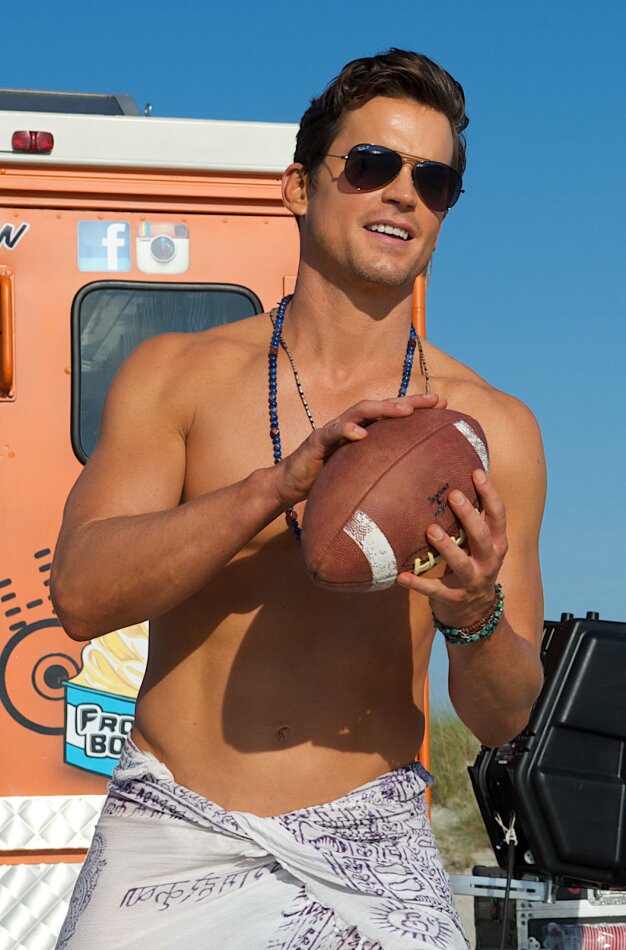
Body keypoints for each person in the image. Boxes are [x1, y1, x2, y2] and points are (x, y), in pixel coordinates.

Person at [52, 48, 546, 950]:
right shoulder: (179, 378)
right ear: (297, 187)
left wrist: (473, 613)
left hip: (373, 853)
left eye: (433, 181)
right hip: (173, 837)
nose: (402, 193)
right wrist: (274, 489)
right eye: (371, 164)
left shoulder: (491, 430)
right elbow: (82, 595)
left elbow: (506, 715)